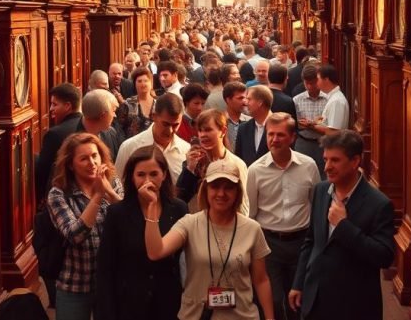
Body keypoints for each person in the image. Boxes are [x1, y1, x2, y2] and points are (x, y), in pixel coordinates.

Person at [143, 160, 277, 320]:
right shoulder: (189, 223)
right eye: (215, 186)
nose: (221, 193)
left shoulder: (252, 228)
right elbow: (156, 252)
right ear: (205, 189)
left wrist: (270, 317)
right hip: (196, 315)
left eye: (228, 187)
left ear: (237, 192)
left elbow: (261, 280)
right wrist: (152, 208)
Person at [289, 131, 395, 320]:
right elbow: (311, 241)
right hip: (315, 301)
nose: (327, 167)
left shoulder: (379, 204)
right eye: (325, 159)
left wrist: (344, 226)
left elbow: (384, 256)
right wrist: (298, 283)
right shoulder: (321, 191)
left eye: (335, 160)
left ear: (355, 161)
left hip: (354, 306)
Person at [96, 146, 188, 320]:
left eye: (154, 174)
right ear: (132, 177)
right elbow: (105, 268)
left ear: (164, 175)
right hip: (129, 305)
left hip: (169, 305)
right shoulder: (118, 213)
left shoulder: (178, 209)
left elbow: (185, 259)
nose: (148, 181)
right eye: (141, 175)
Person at [246, 114, 319, 320]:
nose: (274, 140)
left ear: (292, 138)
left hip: (301, 244)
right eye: (270, 134)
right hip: (269, 245)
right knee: (274, 302)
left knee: (299, 301)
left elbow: (316, 205)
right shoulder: (255, 171)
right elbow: (250, 213)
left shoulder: (309, 166)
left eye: (280, 135)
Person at [47, 133, 123, 320]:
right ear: (71, 165)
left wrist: (110, 193)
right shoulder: (59, 194)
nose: (92, 163)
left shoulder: (113, 182)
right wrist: (98, 196)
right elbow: (74, 235)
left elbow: (129, 220)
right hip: (75, 285)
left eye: (95, 155)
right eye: (84, 158)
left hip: (110, 282)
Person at [176, 109, 250, 214]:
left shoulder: (236, 164)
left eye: (208, 130)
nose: (202, 135)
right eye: (200, 130)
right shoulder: (193, 162)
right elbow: (181, 199)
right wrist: (190, 170)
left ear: (223, 131)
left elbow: (243, 206)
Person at [115, 93, 192, 181]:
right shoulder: (129, 147)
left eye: (175, 125)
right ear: (153, 116)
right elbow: (117, 185)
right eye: (165, 124)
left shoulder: (186, 151)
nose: (170, 130)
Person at [36, 83, 86, 203]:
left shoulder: (54, 134)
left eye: (54, 104)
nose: (51, 109)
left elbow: (43, 172)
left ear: (68, 106)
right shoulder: (88, 125)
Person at [293, 64, 328, 176]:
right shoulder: (297, 100)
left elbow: (329, 124)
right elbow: (296, 123)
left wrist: (311, 124)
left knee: (323, 173)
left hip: (322, 143)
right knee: (301, 174)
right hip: (303, 142)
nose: (309, 86)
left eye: (312, 83)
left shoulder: (328, 99)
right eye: (306, 83)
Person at [235, 85, 273, 166]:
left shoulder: (280, 126)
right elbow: (238, 159)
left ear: (260, 102)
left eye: (249, 99)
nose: (245, 102)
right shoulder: (243, 128)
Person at [116, 67, 156, 140]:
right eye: (139, 81)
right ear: (134, 84)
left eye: (146, 81)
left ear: (151, 83)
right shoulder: (127, 104)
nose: (143, 84)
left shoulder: (159, 103)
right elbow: (119, 129)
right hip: (132, 146)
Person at [316, 65, 349, 131]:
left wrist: (312, 127)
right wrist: (313, 122)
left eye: (318, 79)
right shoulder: (333, 98)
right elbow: (326, 121)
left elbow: (333, 131)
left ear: (326, 79)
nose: (316, 82)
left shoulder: (336, 101)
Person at [223, 81, 248, 151]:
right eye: (240, 98)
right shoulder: (219, 122)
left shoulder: (250, 121)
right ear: (228, 100)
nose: (245, 101)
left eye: (246, 98)